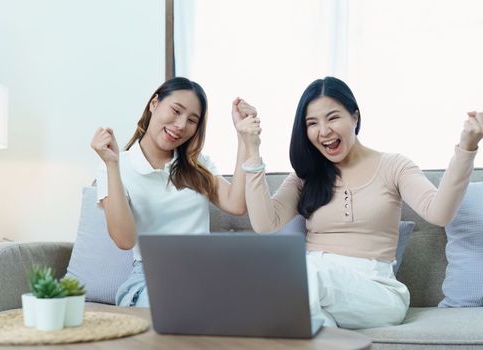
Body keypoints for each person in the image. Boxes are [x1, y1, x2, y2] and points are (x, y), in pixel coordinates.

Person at [239, 76, 483, 329]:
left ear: (354, 117)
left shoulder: (394, 166)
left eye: (332, 117)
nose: (323, 131)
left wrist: (466, 148)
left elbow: (438, 213)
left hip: (376, 292)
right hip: (315, 292)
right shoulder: (306, 176)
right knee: (318, 325)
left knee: (301, 275)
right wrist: (252, 148)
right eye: (312, 123)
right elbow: (265, 223)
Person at [90, 77, 258, 307]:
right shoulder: (117, 165)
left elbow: (236, 205)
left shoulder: (197, 165)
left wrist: (243, 136)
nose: (180, 125)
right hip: (151, 279)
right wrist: (112, 165)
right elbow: (124, 240)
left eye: (192, 120)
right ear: (154, 104)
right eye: (176, 111)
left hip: (205, 274)